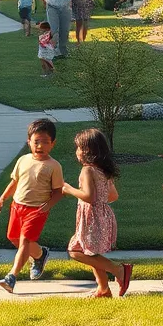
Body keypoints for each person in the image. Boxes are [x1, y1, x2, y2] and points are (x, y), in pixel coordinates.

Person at [0, 118, 64, 293]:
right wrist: (2, 198)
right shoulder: (23, 160)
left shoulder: (54, 166)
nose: (40, 146)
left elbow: (58, 191)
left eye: (45, 142)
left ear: (53, 144)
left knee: (25, 241)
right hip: (18, 206)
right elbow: (15, 182)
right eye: (36, 142)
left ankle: (12, 276)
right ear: (29, 142)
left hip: (37, 209)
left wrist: (48, 206)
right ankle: (40, 255)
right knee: (14, 238)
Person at [62, 127, 133, 298]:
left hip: (92, 217)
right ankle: (103, 289)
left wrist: (69, 189)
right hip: (103, 216)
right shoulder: (103, 170)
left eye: (79, 148)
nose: (77, 152)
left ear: (88, 151)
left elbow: (89, 197)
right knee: (90, 252)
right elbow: (113, 195)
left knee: (75, 251)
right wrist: (100, 203)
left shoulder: (87, 170)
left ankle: (119, 270)